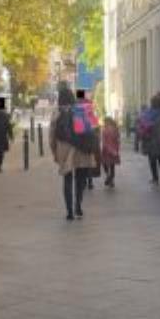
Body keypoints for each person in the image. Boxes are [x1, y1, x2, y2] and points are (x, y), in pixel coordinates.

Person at [51, 85, 98, 220]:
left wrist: (55, 152)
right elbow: (94, 128)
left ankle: (69, 211)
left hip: (64, 149)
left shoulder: (57, 113)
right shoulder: (83, 109)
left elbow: (51, 135)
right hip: (82, 149)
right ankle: (78, 206)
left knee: (67, 179)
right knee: (80, 179)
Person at [101, 116, 121, 188]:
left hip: (106, 150)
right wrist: (116, 150)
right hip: (113, 150)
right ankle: (111, 179)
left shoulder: (105, 130)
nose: (104, 123)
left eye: (105, 122)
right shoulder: (115, 129)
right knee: (112, 166)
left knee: (105, 165)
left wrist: (107, 148)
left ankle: (108, 177)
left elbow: (104, 141)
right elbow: (118, 140)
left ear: (107, 122)